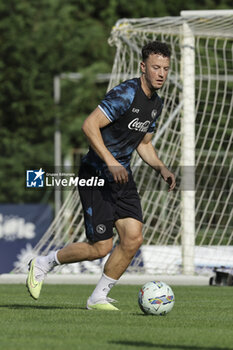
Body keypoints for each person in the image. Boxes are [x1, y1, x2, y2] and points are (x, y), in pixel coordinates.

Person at [26, 41, 176, 310]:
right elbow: (89, 125)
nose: (161, 73)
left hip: (122, 176)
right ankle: (44, 263)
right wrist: (110, 161)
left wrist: (161, 167)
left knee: (133, 238)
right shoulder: (126, 93)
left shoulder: (156, 103)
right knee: (100, 247)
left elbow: (144, 143)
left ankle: (98, 298)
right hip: (96, 173)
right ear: (143, 67)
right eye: (156, 67)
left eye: (165, 68)